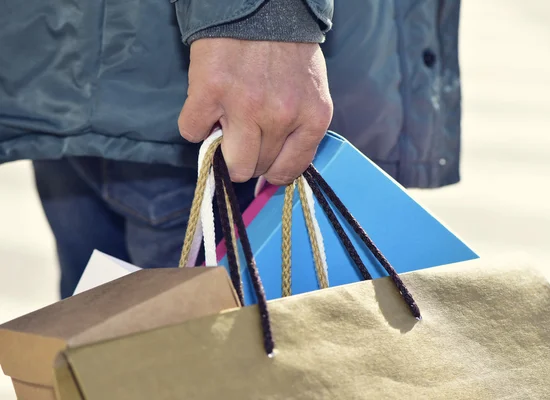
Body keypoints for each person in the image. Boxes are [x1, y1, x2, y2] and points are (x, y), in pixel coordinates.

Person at [0, 0, 462, 298]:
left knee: (110, 366)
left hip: (89, 74)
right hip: (209, 83)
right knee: (201, 362)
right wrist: (268, 16)